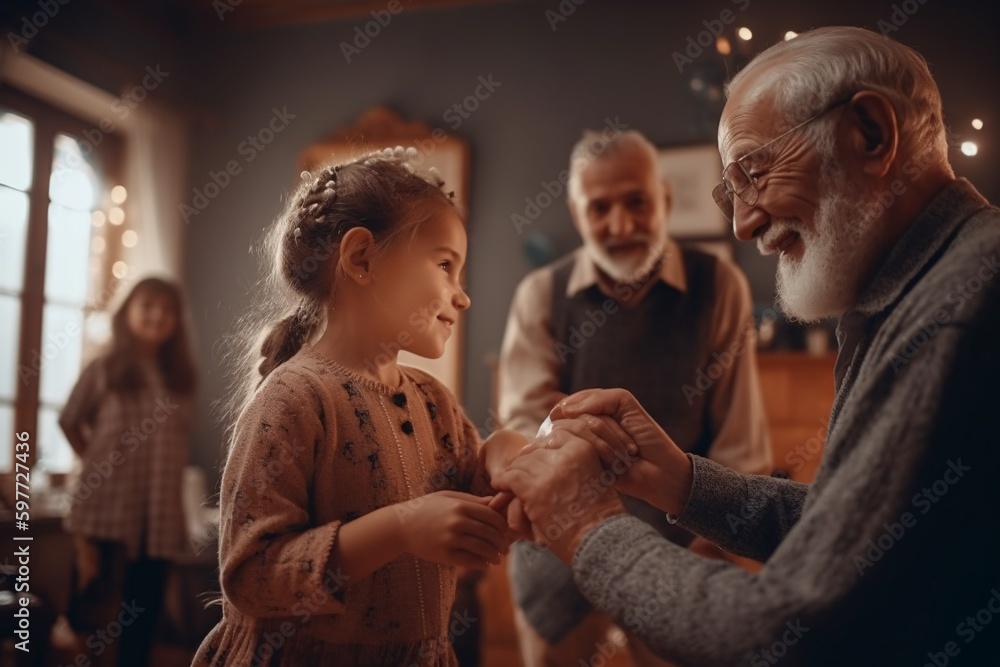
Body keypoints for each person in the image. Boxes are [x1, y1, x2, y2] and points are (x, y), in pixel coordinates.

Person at [493, 26, 1000, 666]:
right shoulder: (912, 292)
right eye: (731, 191)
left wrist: (587, 527)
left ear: (871, 133)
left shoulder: (955, 310)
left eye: (754, 173)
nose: (742, 222)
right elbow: (846, 531)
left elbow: (793, 629)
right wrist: (682, 482)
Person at [192, 149, 625, 666]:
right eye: (445, 265)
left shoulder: (432, 401)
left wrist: (503, 455)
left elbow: (466, 490)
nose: (462, 298)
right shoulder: (293, 400)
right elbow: (252, 575)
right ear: (361, 258)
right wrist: (400, 529)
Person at [498, 129, 771, 665]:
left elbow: (739, 432)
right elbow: (526, 429)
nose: (620, 225)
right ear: (578, 216)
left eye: (636, 202)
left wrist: (714, 537)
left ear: (665, 200)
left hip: (682, 543)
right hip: (558, 545)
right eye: (599, 208)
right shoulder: (538, 295)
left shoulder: (721, 285)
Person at [59, 276, 198, 666]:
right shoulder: (103, 369)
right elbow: (70, 419)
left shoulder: (180, 379)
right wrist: (94, 463)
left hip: (157, 518)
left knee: (142, 621)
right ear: (127, 312)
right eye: (148, 306)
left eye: (168, 310)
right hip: (105, 513)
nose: (158, 316)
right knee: (92, 618)